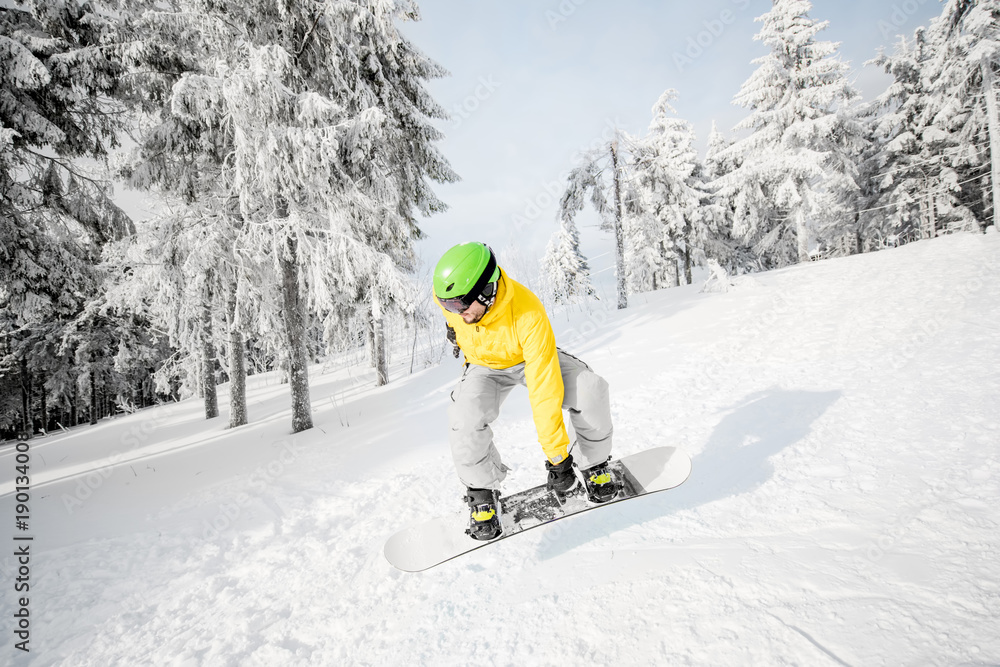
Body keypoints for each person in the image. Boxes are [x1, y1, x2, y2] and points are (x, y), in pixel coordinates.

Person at [433, 242, 618, 540]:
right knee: (464, 416)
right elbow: (459, 315)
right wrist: (458, 328)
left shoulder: (528, 314)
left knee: (589, 388)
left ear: (486, 291)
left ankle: (593, 463)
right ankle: (481, 492)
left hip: (528, 358)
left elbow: (545, 392)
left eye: (461, 306)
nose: (457, 313)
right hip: (485, 367)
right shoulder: (456, 303)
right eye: (449, 306)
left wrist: (558, 459)